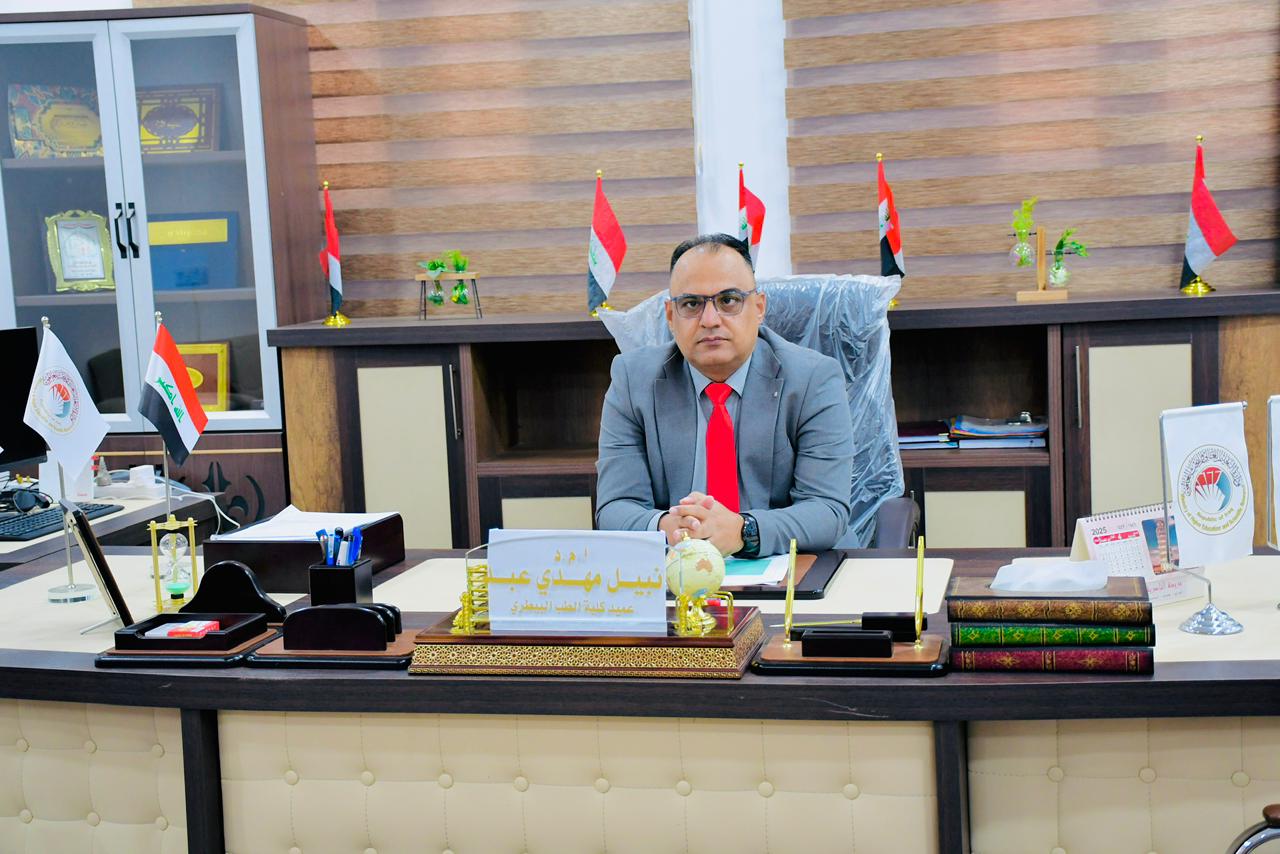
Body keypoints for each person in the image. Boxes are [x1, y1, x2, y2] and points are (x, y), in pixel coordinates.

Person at [595, 233, 854, 557]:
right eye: (691, 304)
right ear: (671, 316)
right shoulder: (633, 381)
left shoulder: (813, 379)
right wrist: (668, 527)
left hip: (788, 567)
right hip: (680, 567)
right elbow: (615, 507)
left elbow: (827, 510)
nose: (710, 320)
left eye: (728, 300)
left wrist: (743, 531)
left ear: (759, 307)